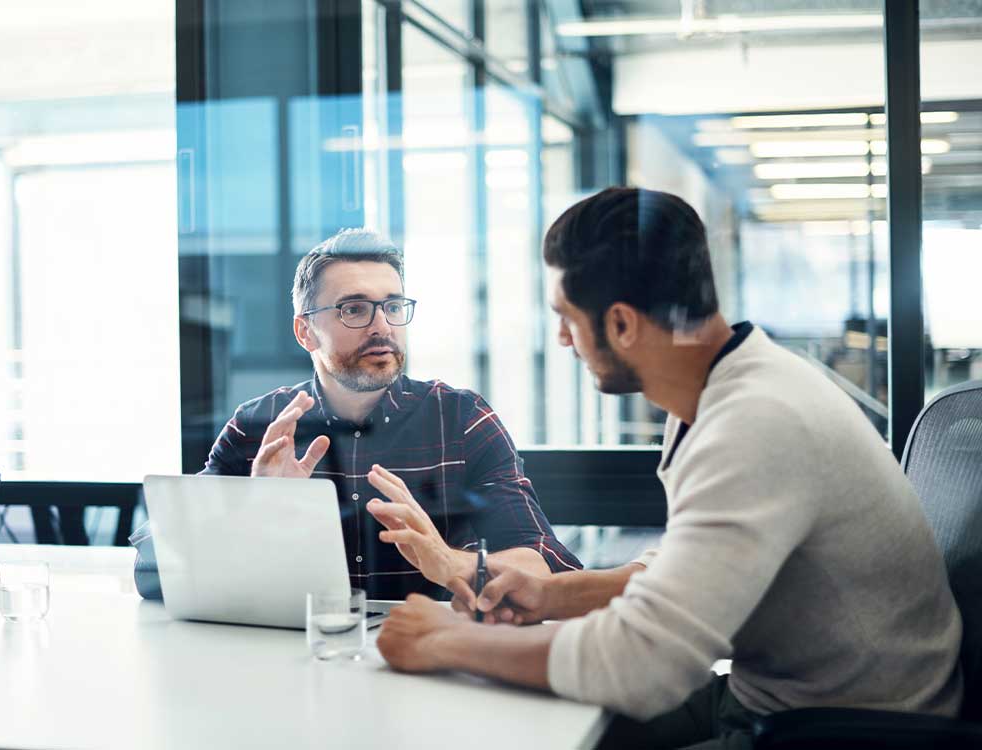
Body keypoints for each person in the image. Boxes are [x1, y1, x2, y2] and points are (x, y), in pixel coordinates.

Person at [375, 187, 963, 749]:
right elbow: (694, 567)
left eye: (567, 317)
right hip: (777, 696)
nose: (561, 339)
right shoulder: (720, 386)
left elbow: (643, 666)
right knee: (511, 722)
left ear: (623, 324)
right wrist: (552, 594)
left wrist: (448, 640)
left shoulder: (755, 422)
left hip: (839, 730)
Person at [131, 228, 580, 600]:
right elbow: (153, 572)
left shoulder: (461, 419)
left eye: (393, 306)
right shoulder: (257, 428)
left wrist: (448, 563)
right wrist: (254, 508)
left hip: (432, 663)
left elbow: (547, 566)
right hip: (290, 667)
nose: (382, 326)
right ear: (305, 331)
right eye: (354, 309)